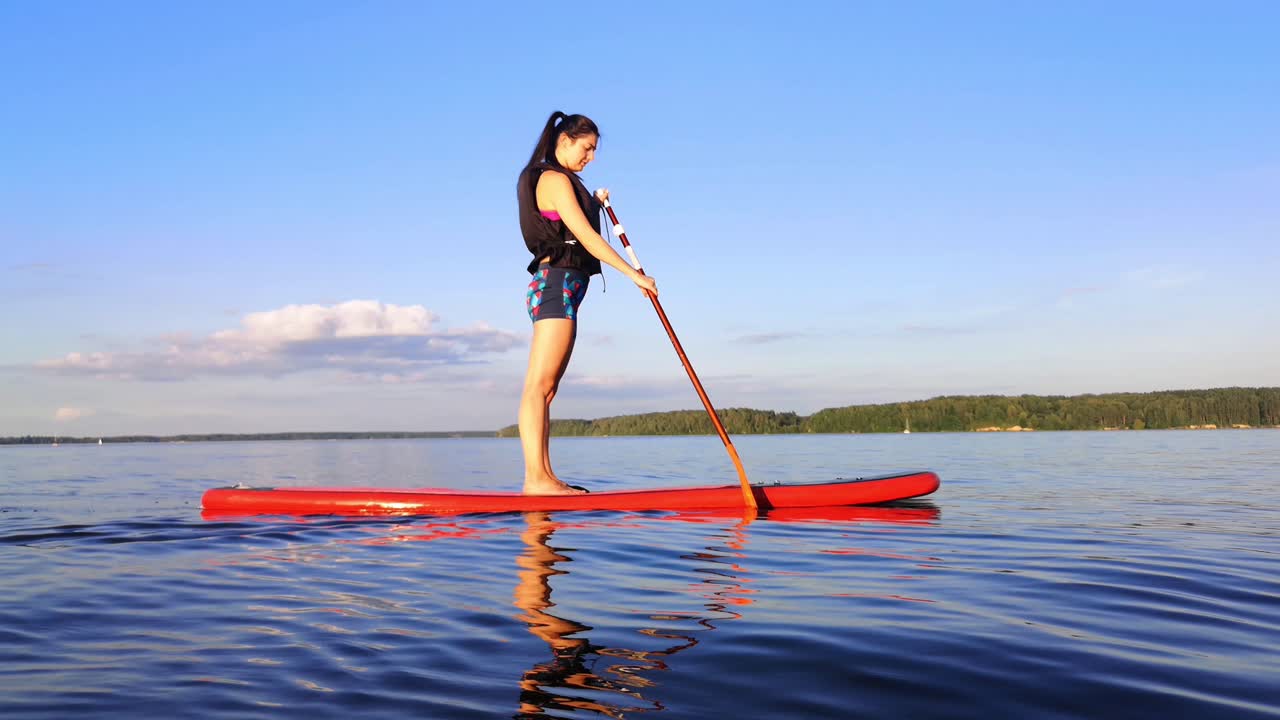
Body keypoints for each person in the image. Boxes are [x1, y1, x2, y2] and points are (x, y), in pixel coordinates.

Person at [517, 111, 658, 495]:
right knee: (538, 386)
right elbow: (585, 237)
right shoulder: (553, 179)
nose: (591, 157)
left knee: (547, 389)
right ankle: (536, 480)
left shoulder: (564, 182)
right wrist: (634, 275)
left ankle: (544, 477)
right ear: (564, 141)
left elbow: (576, 227)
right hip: (555, 284)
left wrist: (594, 203)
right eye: (587, 148)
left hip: (562, 286)